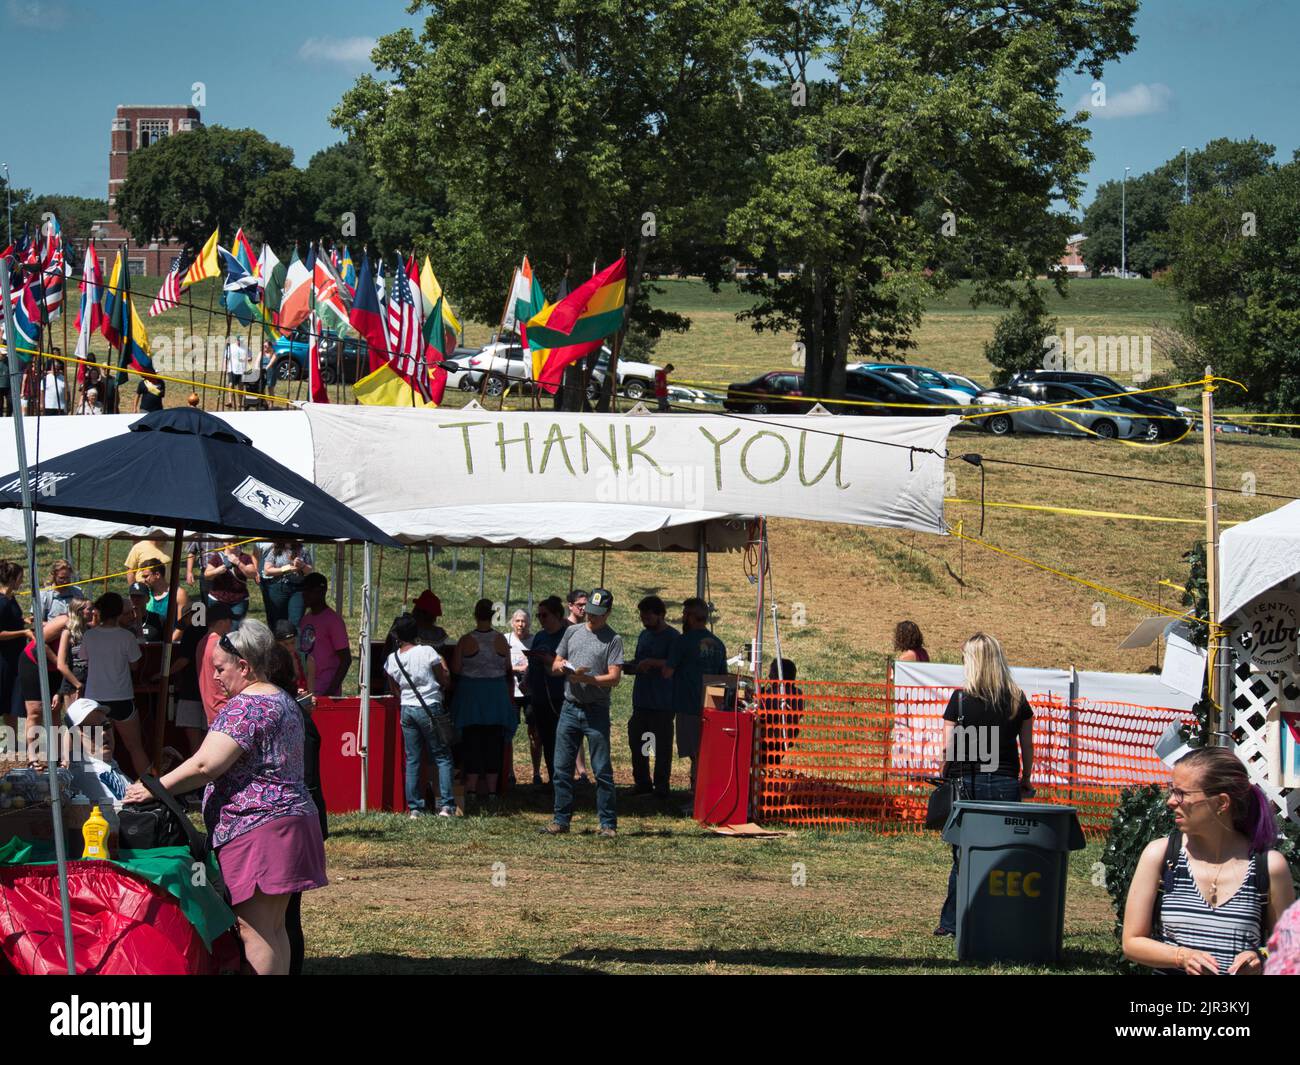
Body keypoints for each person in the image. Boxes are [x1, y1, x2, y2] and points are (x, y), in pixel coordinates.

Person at [122, 621, 328, 976]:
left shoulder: (246, 706)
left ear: (244, 666)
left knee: (255, 930)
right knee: (274, 928)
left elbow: (205, 764)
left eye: (220, 668)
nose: (215, 677)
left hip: (259, 827)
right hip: (288, 824)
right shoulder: (282, 699)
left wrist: (154, 787)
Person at [1122, 747, 1295, 975]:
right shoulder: (1161, 855)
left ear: (1221, 803)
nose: (1171, 802)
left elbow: (1289, 950)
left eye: (1182, 793)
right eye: (1171, 791)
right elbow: (1132, 942)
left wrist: (1260, 959)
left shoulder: (1269, 866)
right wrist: (1181, 956)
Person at [934, 632, 1034, 937]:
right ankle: (1000, 919)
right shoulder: (1018, 699)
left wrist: (942, 777)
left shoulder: (960, 699)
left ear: (973, 662)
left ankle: (951, 924)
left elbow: (947, 749)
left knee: (963, 855)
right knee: (1004, 855)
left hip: (966, 784)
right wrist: (1026, 780)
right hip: (1005, 782)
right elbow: (1027, 747)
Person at [540, 588, 623, 838]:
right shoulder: (572, 632)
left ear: (607, 613)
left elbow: (615, 677)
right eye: (589, 612)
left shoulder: (613, 639)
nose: (591, 617)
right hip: (569, 707)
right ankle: (561, 820)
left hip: (596, 711)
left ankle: (608, 824)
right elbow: (555, 664)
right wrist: (562, 667)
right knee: (561, 768)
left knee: (601, 770)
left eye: (597, 614)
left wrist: (589, 679)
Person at [266, 634, 327, 976]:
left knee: (283, 917)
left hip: (290, 821)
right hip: (298, 819)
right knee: (285, 915)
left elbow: (302, 776)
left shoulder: (286, 715)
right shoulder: (292, 710)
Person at [385, 613, 454, 818]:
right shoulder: (427, 651)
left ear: (398, 636)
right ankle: (447, 805)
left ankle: (415, 807)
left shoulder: (393, 658)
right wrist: (444, 668)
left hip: (407, 708)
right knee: (442, 756)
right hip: (430, 705)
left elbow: (394, 687)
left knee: (413, 758)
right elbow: (444, 680)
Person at [451, 598, 515, 809]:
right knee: (494, 742)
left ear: (475, 615)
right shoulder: (501, 640)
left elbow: (457, 668)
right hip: (496, 696)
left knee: (472, 741)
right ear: (492, 615)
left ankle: (470, 788)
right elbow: (507, 667)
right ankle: (492, 789)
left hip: (472, 695)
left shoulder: (465, 640)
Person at [663, 597, 728, 800]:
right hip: (711, 708)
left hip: (688, 705)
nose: (682, 617)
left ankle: (698, 795)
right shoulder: (718, 644)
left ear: (691, 617)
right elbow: (722, 678)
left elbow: (667, 672)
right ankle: (701, 791)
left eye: (684, 614)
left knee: (695, 753)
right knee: (704, 753)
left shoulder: (682, 642)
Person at [81, 592, 151, 777]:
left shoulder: (89, 635)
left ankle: (95, 788)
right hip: (121, 697)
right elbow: (135, 665)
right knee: (135, 747)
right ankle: (152, 790)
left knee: (94, 749)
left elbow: (84, 660)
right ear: (119, 612)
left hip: (95, 699)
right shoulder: (126, 636)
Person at [627, 595, 678, 799]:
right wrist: (630, 666)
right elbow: (639, 661)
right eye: (642, 618)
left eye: (648, 617)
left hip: (663, 702)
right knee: (639, 742)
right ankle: (642, 782)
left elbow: (673, 665)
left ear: (660, 615)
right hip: (641, 700)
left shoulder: (673, 637)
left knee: (661, 746)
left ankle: (662, 785)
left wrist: (652, 663)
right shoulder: (643, 636)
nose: (645, 621)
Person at [525, 596, 568, 786]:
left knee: (561, 741)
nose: (541, 619)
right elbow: (531, 663)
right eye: (538, 615)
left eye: (545, 615)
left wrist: (548, 660)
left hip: (560, 697)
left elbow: (569, 666)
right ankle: (553, 779)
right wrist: (527, 680)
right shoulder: (540, 636)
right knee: (546, 740)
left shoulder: (567, 636)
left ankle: (563, 781)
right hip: (539, 696)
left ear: (557, 615)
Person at [166, 602, 210, 755]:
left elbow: (183, 660)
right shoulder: (211, 631)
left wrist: (163, 674)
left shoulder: (192, 632)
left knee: (194, 739)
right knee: (208, 737)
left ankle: (198, 775)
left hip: (191, 690)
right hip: (207, 691)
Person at [299, 573, 351, 697]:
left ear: (320, 591)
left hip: (325, 690)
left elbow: (346, 659)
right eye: (303, 590)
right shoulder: (305, 619)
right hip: (306, 690)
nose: (303, 595)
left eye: (308, 591)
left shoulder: (334, 621)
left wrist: (331, 692)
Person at [0, 561, 31, 743]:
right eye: (20, 577)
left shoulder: (11, 598)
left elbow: (11, 620)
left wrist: (24, 621)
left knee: (11, 703)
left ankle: (10, 745)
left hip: (15, 657)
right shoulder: (1, 602)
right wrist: (23, 632)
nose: (22, 581)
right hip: (4, 659)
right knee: (4, 701)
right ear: (12, 579)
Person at [564, 588, 592, 783]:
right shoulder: (565, 628)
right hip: (565, 685)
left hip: (586, 686)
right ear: (570, 606)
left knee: (581, 729)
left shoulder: (590, 627)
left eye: (585, 605)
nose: (583, 609)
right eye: (580, 605)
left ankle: (581, 770)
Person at [259, 540, 314, 631]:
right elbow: (267, 571)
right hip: (279, 588)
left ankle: (295, 643)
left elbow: (309, 570)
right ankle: (279, 643)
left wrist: (302, 565)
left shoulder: (303, 550)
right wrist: (287, 568)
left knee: (296, 620)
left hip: (298, 589)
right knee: (279, 621)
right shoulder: (275, 551)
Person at [203, 542, 257, 629]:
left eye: (235, 539)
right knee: (216, 629)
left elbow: (252, 574)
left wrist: (238, 562)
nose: (233, 542)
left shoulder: (245, 557)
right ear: (224, 542)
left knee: (235, 629)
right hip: (218, 599)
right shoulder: (217, 557)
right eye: (229, 540)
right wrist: (217, 571)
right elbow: (206, 576)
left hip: (239, 600)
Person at [506, 608, 532, 783]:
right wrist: (518, 669)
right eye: (517, 621)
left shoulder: (534, 640)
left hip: (530, 693)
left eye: (523, 621)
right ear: (512, 622)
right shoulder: (505, 639)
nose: (520, 624)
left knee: (535, 734)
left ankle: (537, 772)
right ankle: (510, 772)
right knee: (509, 733)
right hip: (511, 692)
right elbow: (501, 663)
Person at [198, 603, 234, 726]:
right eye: (230, 621)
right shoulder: (221, 645)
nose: (231, 625)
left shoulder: (201, 643)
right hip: (225, 708)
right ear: (221, 622)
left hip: (210, 708)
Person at [139, 558, 188, 640]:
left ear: (157, 575)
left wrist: (167, 645)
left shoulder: (178, 594)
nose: (143, 581)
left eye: (146, 576)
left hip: (170, 643)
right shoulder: (144, 595)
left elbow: (182, 626)